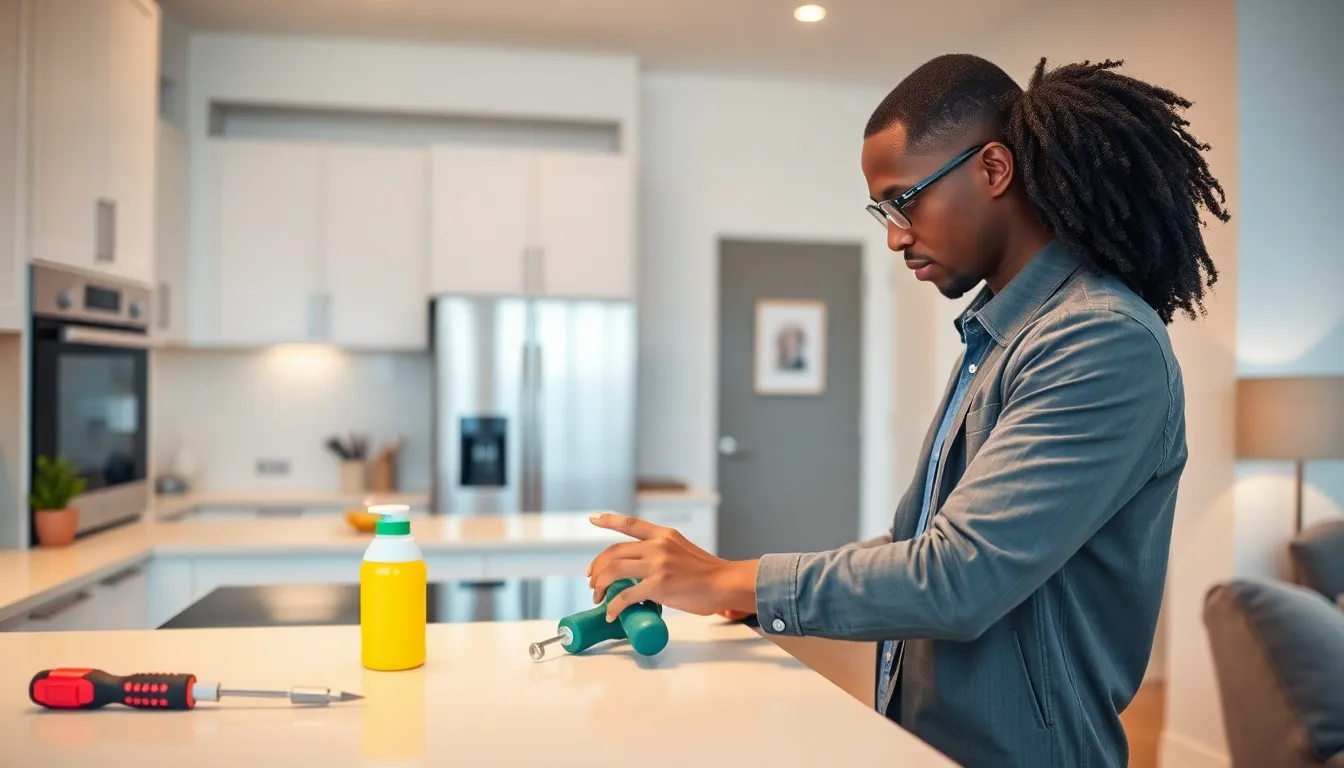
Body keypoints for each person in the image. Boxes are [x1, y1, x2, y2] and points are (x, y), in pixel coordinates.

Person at [585, 53, 1228, 768]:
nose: (894, 236)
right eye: (883, 211)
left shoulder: (1099, 340)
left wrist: (728, 580)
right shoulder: (998, 336)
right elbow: (910, 544)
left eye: (905, 200)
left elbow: (959, 576)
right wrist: (736, 586)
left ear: (992, 170)